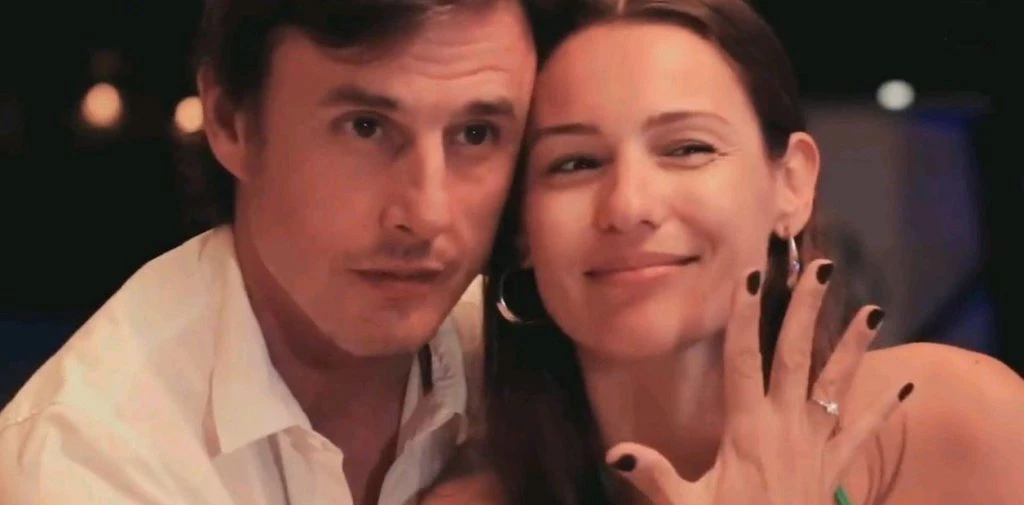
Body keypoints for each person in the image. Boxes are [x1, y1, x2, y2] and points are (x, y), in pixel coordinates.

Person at [458, 0, 1023, 503]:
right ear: (520, 225)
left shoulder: (957, 426)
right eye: (576, 162)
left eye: (687, 148)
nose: (628, 206)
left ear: (792, 184)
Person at [0, 0, 565, 503]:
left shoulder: (537, 371)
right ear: (231, 122)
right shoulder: (86, 462)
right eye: (366, 127)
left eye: (475, 133)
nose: (426, 214)